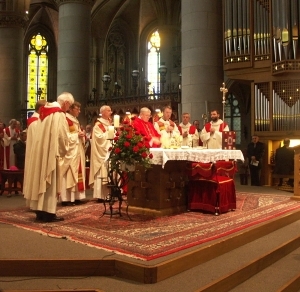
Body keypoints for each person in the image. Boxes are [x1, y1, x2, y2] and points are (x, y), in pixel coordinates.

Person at [25, 92, 74, 222]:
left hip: (40, 151)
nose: (68, 109)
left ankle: (40, 211)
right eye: (69, 106)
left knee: (40, 178)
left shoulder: (44, 112)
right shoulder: (59, 114)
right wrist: (65, 150)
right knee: (50, 181)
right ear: (66, 103)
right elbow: (62, 136)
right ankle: (49, 213)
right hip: (51, 153)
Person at [60, 101, 86, 206]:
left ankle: (76, 197)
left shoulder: (75, 120)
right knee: (69, 173)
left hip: (77, 150)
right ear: (70, 109)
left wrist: (81, 134)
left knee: (78, 171)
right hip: (70, 152)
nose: (79, 111)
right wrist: (77, 135)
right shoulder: (66, 119)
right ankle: (66, 198)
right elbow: (64, 135)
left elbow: (74, 133)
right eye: (77, 109)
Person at [23, 99, 47, 207]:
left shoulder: (37, 120)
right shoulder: (35, 122)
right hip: (35, 153)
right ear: (41, 108)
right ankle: (34, 203)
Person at [89, 105, 113, 202]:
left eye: (110, 110)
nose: (110, 112)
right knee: (102, 172)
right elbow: (99, 139)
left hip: (109, 151)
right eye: (108, 110)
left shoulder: (109, 123)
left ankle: (109, 194)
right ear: (102, 112)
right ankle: (101, 196)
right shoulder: (98, 125)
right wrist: (110, 132)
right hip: (102, 154)